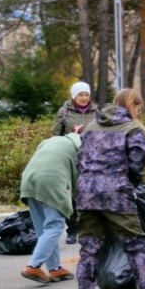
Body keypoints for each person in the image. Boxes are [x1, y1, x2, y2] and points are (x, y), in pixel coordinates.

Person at [74, 88, 145, 289]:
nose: (139, 114)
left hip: (86, 193)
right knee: (135, 244)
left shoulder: (90, 125)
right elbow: (137, 166)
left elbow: (79, 160)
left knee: (89, 246)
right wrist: (130, 186)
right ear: (133, 106)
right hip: (116, 194)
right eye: (139, 109)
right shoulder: (132, 129)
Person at [19, 133, 81, 285]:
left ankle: (55, 269)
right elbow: (80, 179)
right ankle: (33, 266)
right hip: (51, 181)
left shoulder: (50, 141)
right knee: (55, 226)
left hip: (29, 180)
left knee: (43, 229)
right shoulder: (81, 148)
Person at [53, 81, 101, 243]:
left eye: (86, 94)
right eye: (80, 95)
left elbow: (102, 133)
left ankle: (88, 229)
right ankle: (72, 230)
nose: (84, 98)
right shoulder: (64, 112)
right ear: (74, 96)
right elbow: (55, 137)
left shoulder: (96, 111)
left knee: (89, 194)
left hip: (92, 159)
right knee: (72, 196)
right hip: (71, 158)